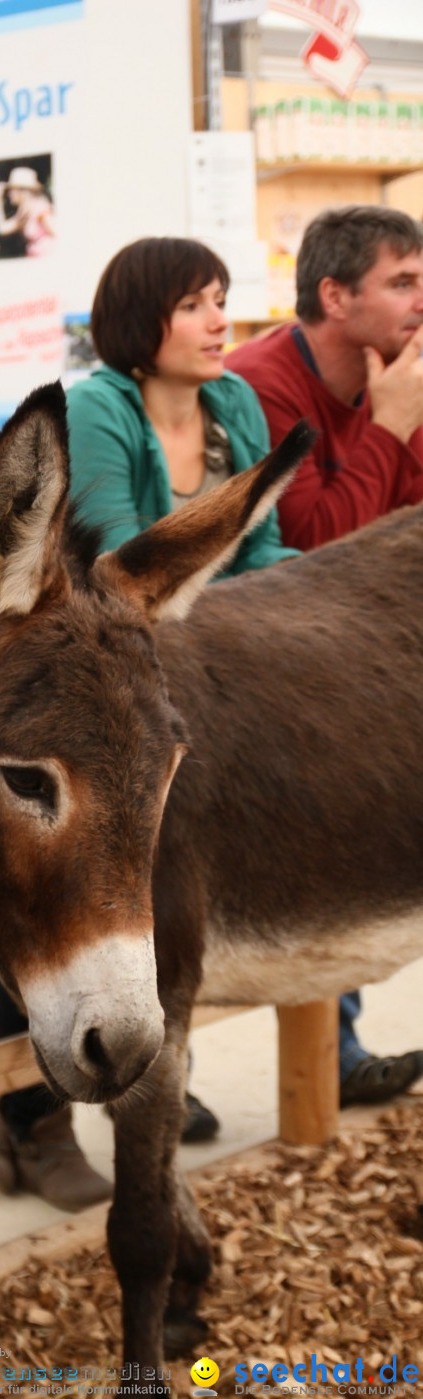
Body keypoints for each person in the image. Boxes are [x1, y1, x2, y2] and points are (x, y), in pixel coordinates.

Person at [0, 237, 297, 1205]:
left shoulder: (234, 405)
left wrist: (249, 636)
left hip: (188, 684)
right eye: (197, 304)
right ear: (140, 321)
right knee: (56, 904)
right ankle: (29, 1116)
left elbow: (264, 547)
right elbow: (112, 558)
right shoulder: (97, 410)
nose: (218, 324)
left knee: (146, 906)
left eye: (224, 302)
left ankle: (144, 1071)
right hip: (108, 686)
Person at [227, 203, 423, 1106]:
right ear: (334, 295)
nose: (422, 301)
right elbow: (306, 545)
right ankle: (40, 1101)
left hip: (349, 666)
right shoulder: (259, 385)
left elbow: (406, 536)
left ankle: (335, 1053)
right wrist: (387, 425)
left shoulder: (398, 376)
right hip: (247, 669)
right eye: (404, 282)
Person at [0, 167, 55, 258]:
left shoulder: (40, 209)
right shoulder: (24, 212)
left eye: (11, 189)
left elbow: (60, 235)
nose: (9, 194)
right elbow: (2, 229)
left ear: (21, 191)